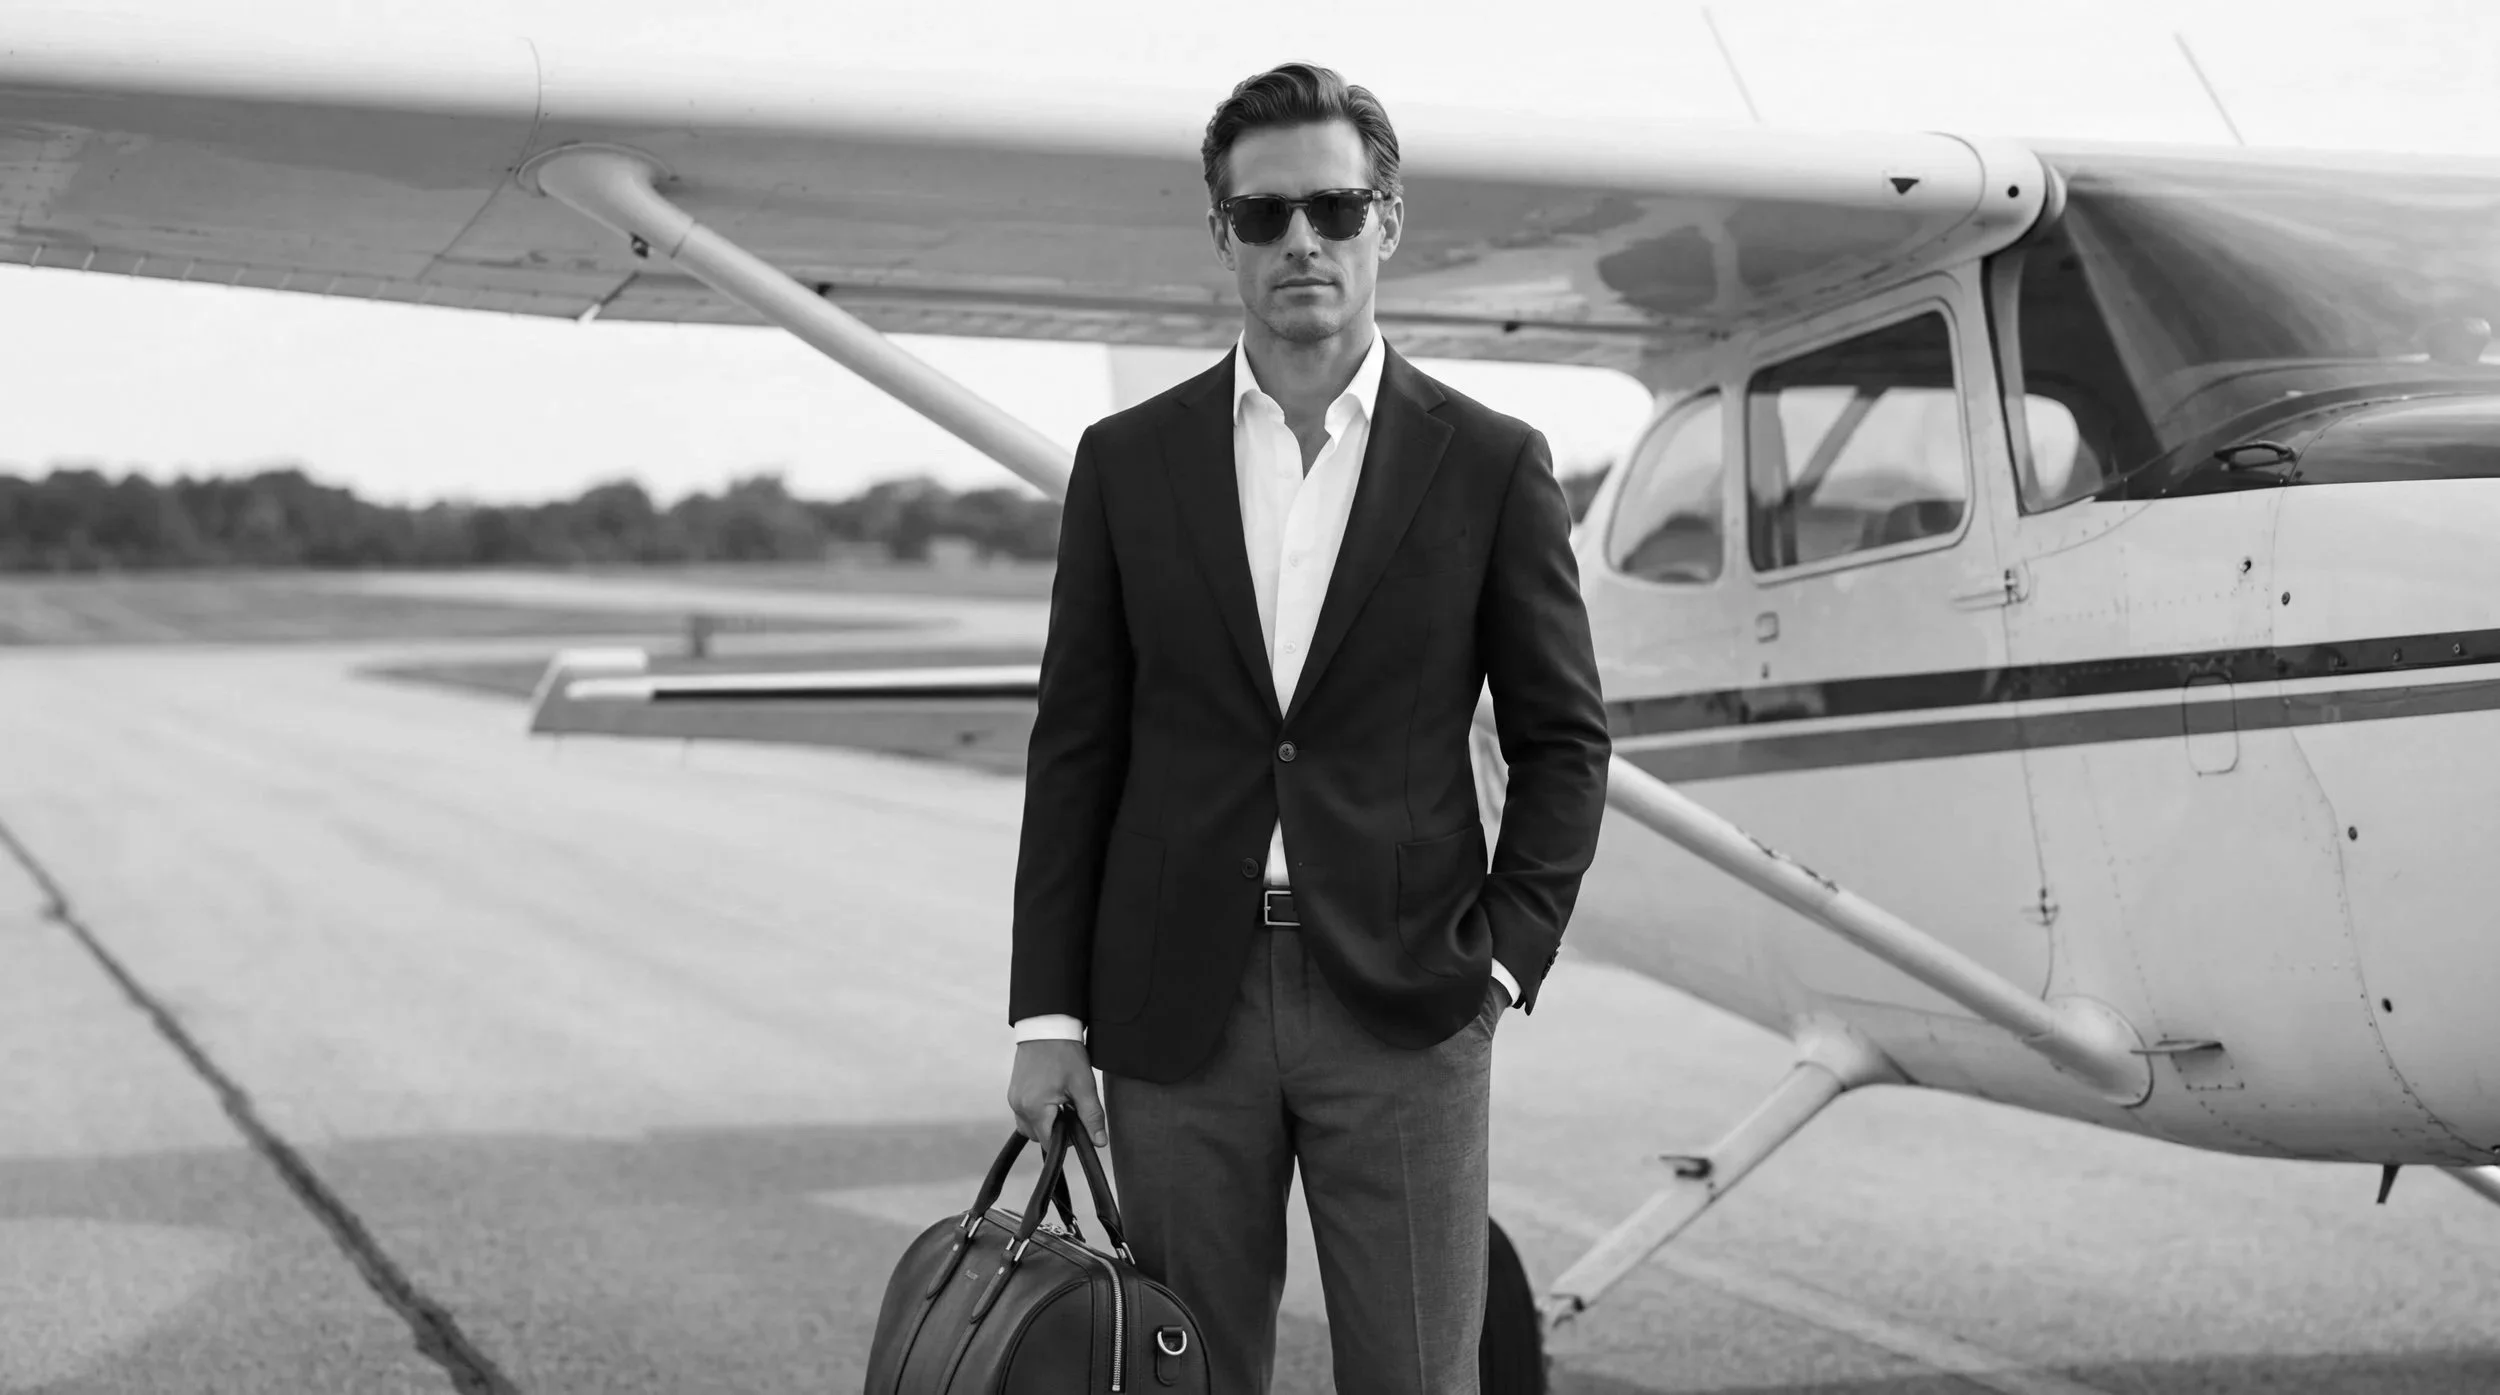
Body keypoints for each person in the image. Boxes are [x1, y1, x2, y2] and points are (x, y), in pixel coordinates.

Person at [1004, 61, 1611, 1395]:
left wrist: (1501, 963)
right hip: (1176, 1012)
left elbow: (1566, 739)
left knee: (1416, 1376)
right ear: (1220, 230)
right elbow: (1076, 750)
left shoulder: (1494, 462)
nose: (1303, 243)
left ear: (1389, 221)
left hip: (1406, 1004)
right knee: (1187, 1379)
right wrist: (1045, 1014)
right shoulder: (1127, 463)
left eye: (1335, 210)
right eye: (1266, 214)